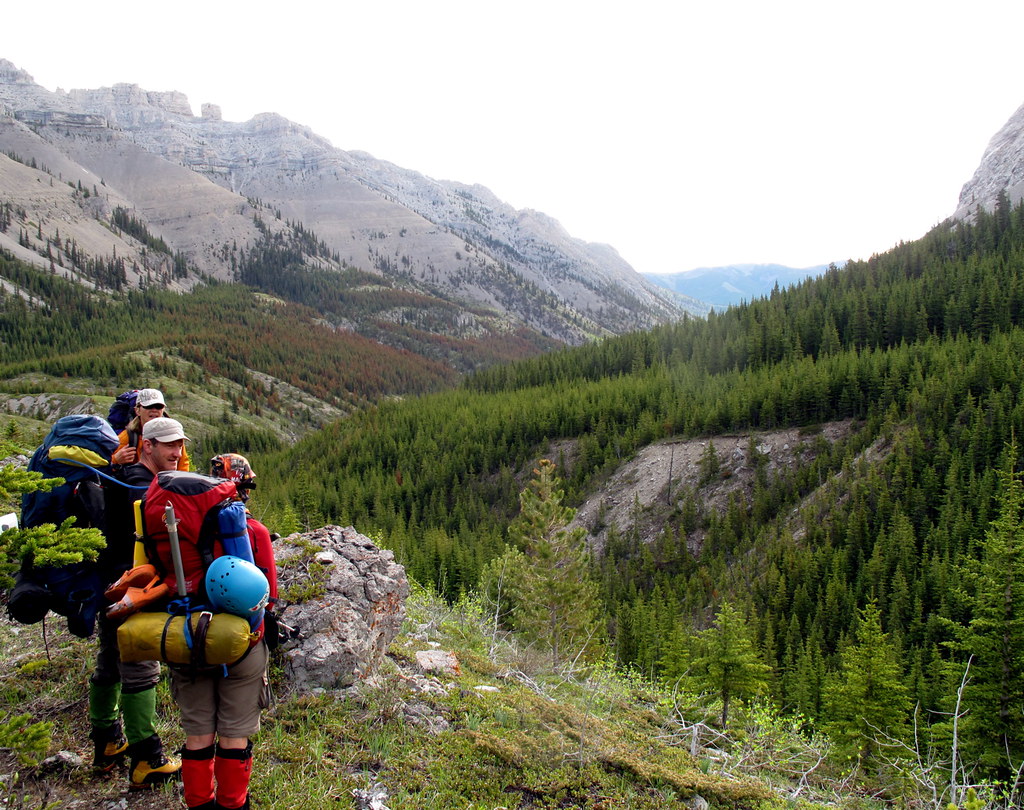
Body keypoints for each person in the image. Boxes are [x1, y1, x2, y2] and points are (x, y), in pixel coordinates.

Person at [174, 453, 278, 810]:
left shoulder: (180, 529)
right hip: (241, 648)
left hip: (189, 640)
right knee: (235, 735)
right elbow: (268, 598)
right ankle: (233, 804)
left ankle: (199, 803)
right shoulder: (254, 531)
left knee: (197, 734)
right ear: (242, 484)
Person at [90, 417, 189, 787]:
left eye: (179, 445)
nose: (176, 453)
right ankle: (146, 759)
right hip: (132, 589)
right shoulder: (140, 486)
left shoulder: (123, 477)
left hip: (108, 585)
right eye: (168, 446)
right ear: (147, 445)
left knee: (110, 662)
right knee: (140, 667)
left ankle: (106, 742)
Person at [111, 388, 191, 471]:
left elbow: (183, 466)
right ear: (137, 410)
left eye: (158, 407)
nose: (154, 410)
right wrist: (115, 460)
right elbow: (105, 468)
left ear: (163, 410)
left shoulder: (173, 434)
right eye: (148, 406)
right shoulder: (128, 437)